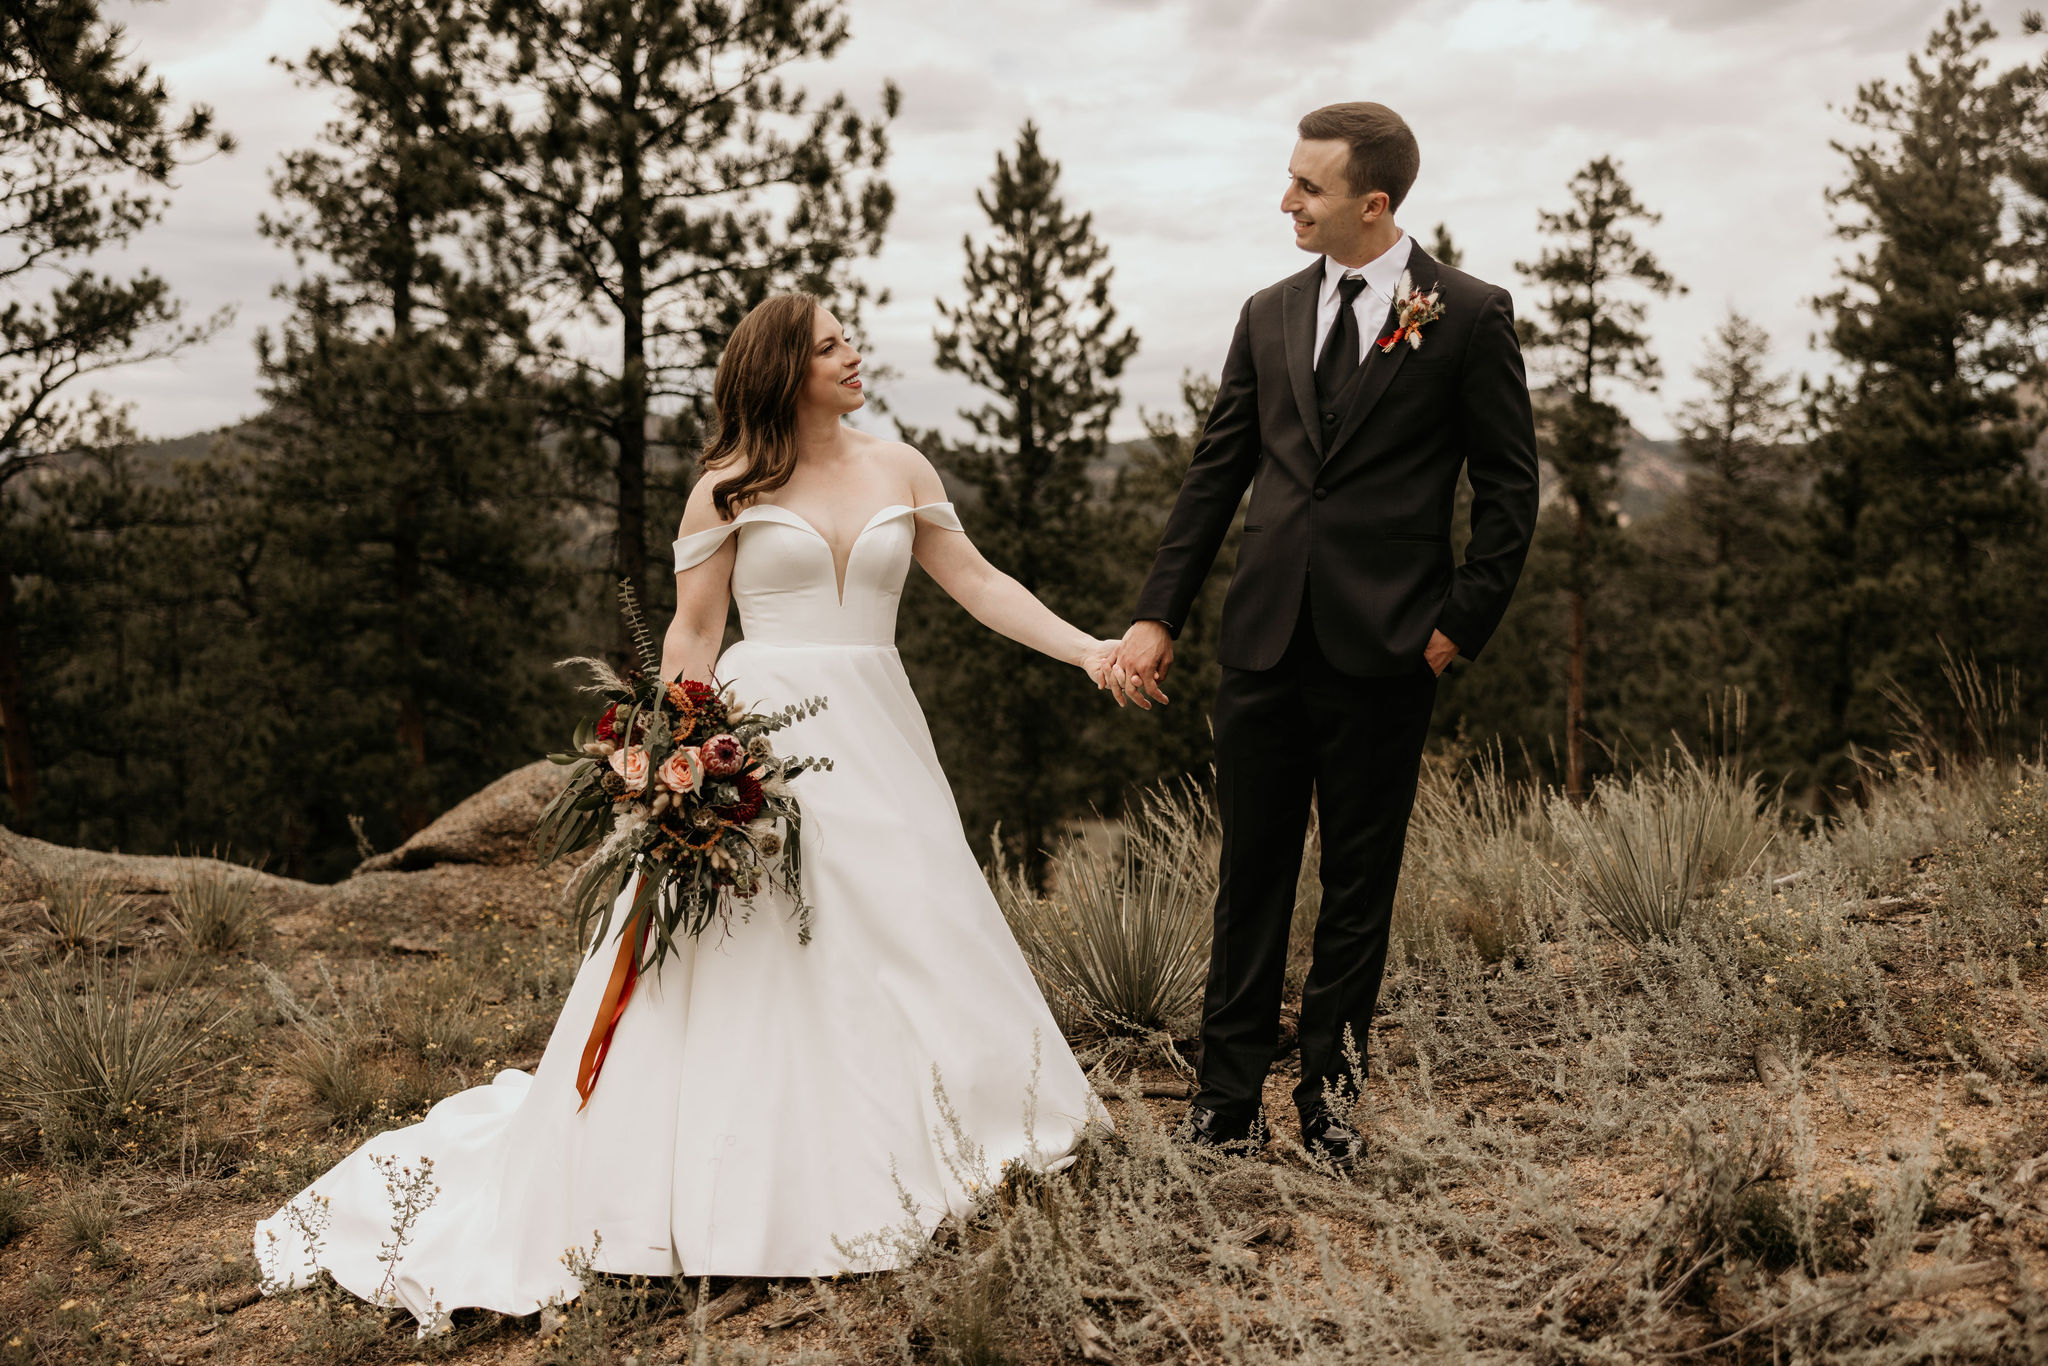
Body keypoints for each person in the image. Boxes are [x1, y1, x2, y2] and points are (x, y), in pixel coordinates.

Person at [254, 292, 1118, 1336]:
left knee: (910, 920)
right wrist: (673, 771)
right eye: (831, 345)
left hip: (880, 731)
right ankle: (750, 1181)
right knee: (764, 944)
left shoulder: (902, 468)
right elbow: (693, 635)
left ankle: (945, 1132)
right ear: (781, 372)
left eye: (850, 339)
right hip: (760, 739)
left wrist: (1088, 649)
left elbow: (979, 583)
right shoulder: (724, 490)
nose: (854, 355)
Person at [1105, 102, 1540, 1170]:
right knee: (1248, 870)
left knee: (1357, 881)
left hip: (1387, 651)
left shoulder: (1468, 315)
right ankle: (1225, 1099)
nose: (1287, 200)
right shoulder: (1265, 313)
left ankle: (1329, 1099)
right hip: (1260, 641)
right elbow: (1216, 473)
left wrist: (1450, 632)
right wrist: (1158, 613)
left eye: (1308, 186)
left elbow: (1509, 493)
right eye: (1290, 180)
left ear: (1372, 204)